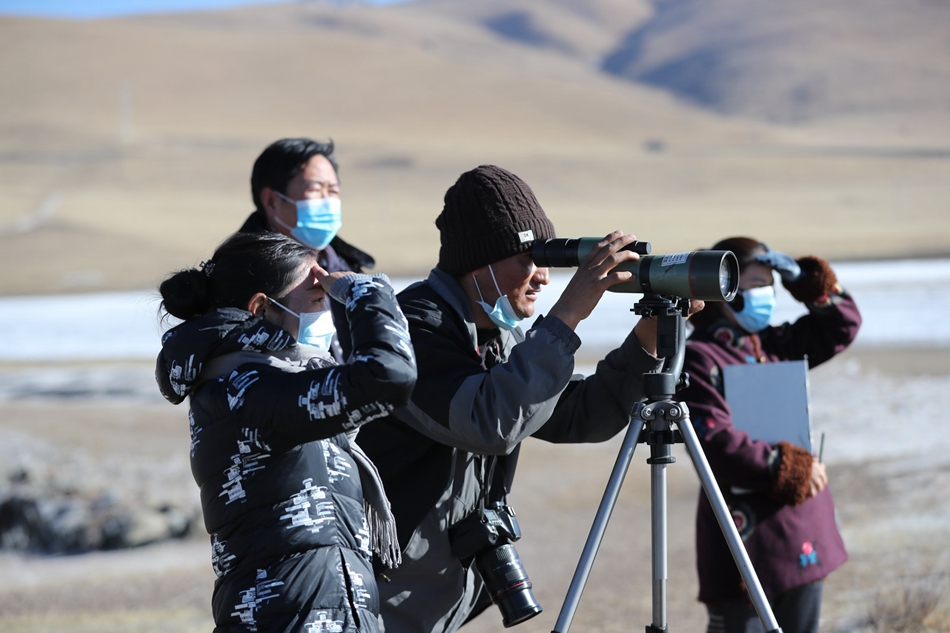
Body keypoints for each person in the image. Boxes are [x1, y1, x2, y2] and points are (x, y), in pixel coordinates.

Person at [355, 164, 691, 633]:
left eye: (546, 260)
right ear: (478, 263)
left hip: (434, 593)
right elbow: (489, 421)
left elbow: (579, 416)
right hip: (380, 594)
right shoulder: (413, 328)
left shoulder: (497, 334)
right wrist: (568, 316)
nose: (543, 278)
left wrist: (647, 341)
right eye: (527, 259)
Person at [155, 231, 416, 633]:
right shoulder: (245, 393)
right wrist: (364, 291)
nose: (330, 307)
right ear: (261, 308)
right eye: (318, 297)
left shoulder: (273, 384)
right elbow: (389, 376)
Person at [675, 237, 861, 633]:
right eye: (756, 284)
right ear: (725, 287)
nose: (766, 295)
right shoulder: (698, 357)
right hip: (744, 536)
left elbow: (842, 326)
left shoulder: (776, 344)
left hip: (801, 528)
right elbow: (714, 443)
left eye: (771, 285)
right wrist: (792, 468)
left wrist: (804, 281)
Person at [241, 137, 375, 360]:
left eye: (333, 191)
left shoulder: (347, 266)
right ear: (272, 201)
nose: (327, 201)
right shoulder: (239, 274)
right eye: (315, 189)